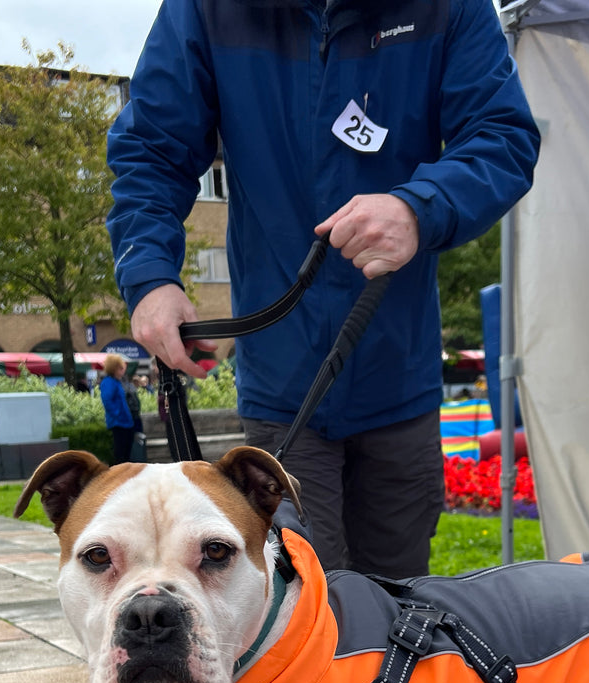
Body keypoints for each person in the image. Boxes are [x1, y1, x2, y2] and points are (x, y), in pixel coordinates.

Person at [107, 0, 540, 577]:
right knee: (302, 611)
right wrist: (150, 276)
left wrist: (418, 207)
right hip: (284, 385)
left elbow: (502, 135)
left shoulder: (447, 7)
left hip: (398, 378)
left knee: (400, 607)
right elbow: (152, 148)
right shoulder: (209, 10)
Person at [99, 354, 139, 465]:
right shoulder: (108, 382)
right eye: (120, 368)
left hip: (125, 422)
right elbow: (107, 401)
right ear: (114, 368)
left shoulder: (116, 381)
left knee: (125, 452)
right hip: (119, 422)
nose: (123, 371)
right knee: (121, 453)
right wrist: (118, 414)